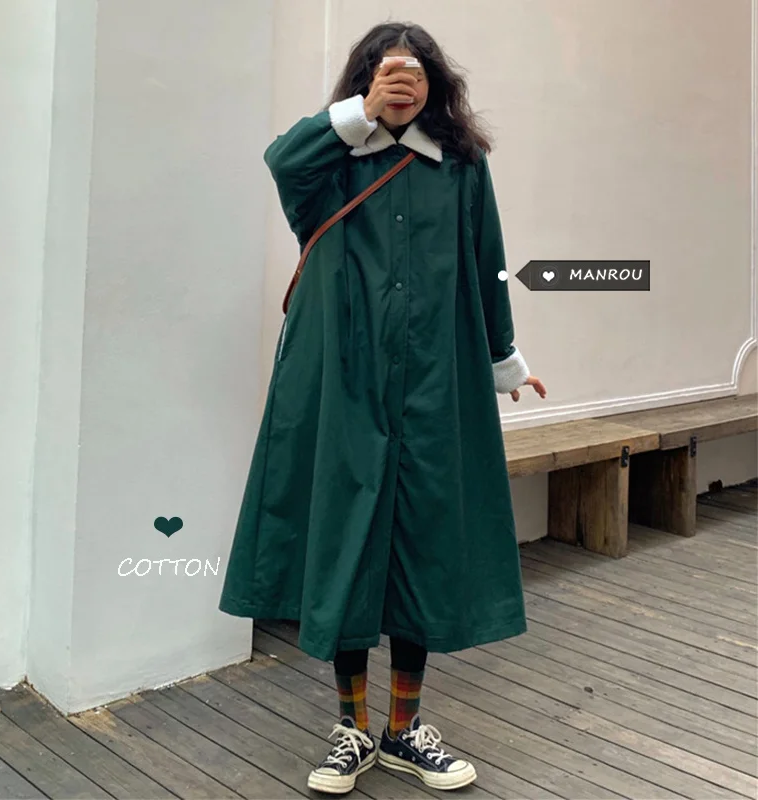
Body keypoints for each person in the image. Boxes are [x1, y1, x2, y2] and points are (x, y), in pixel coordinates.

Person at [219, 20, 547, 795]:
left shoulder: (461, 165)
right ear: (365, 80)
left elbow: (490, 265)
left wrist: (506, 359)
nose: (404, 84)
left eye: (417, 72)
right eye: (387, 72)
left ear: (437, 85)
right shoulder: (328, 160)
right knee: (345, 539)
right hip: (341, 380)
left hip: (436, 379)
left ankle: (403, 729)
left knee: (421, 540)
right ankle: (350, 728)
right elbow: (281, 159)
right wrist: (360, 114)